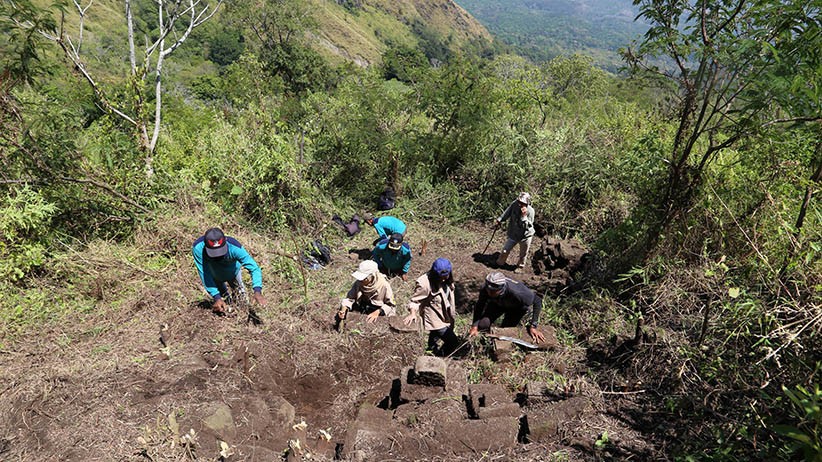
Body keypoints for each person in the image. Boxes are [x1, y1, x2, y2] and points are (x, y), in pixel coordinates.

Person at [192, 227, 266, 314]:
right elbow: (205, 274)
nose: (217, 256)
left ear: (225, 242)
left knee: (242, 300)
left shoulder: (235, 247)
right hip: (214, 274)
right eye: (214, 252)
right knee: (224, 300)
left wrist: (257, 290)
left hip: (233, 272)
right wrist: (216, 297)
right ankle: (227, 305)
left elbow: (254, 268)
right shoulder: (198, 248)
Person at [403, 258, 460, 356]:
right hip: (434, 317)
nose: (443, 279)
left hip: (445, 314)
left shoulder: (448, 279)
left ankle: (431, 351)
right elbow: (415, 300)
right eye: (440, 277)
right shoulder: (424, 283)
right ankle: (439, 357)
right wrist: (412, 313)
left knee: (435, 336)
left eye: (445, 276)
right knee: (453, 341)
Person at [468, 272, 545, 343]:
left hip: (516, 308)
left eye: (493, 291)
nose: (490, 293)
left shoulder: (518, 293)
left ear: (501, 288)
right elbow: (479, 305)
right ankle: (485, 342)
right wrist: (474, 326)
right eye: (488, 290)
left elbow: (537, 301)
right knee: (482, 325)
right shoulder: (486, 288)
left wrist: (533, 326)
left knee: (505, 331)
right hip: (497, 304)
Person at [337, 260, 397, 324]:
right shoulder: (358, 283)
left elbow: (391, 306)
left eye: (365, 278)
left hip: (379, 310)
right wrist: (343, 309)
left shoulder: (384, 285)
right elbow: (349, 299)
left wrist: (377, 312)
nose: (362, 280)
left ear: (372, 276)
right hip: (364, 306)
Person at [495, 192, 535, 272]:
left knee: (523, 254)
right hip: (514, 233)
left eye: (522, 203)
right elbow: (507, 213)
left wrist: (524, 217)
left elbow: (527, 227)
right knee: (505, 250)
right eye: (519, 202)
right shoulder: (514, 204)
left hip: (525, 236)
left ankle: (520, 267)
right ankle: (500, 263)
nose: (520, 204)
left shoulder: (530, 211)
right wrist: (500, 220)